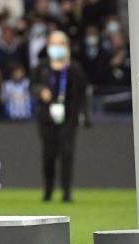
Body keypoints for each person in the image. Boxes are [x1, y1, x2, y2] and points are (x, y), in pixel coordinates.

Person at [32, 30, 86, 203]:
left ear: (67, 46)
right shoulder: (41, 67)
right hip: (46, 117)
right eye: (54, 44)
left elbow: (81, 91)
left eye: (61, 44)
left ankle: (66, 192)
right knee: (48, 154)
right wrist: (40, 91)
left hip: (68, 117)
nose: (57, 47)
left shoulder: (74, 68)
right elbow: (32, 86)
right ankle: (48, 190)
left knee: (67, 153)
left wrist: (67, 67)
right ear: (48, 46)